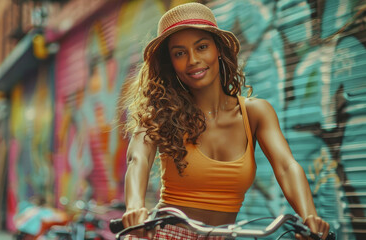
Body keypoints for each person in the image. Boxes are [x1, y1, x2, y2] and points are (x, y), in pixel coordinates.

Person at [119, 2, 330, 240]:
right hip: (166, 234)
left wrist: (309, 217)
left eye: (201, 47)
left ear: (218, 49)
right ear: (171, 63)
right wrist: (134, 207)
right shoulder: (159, 113)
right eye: (180, 53)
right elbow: (137, 159)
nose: (193, 60)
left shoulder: (256, 113)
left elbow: (286, 166)